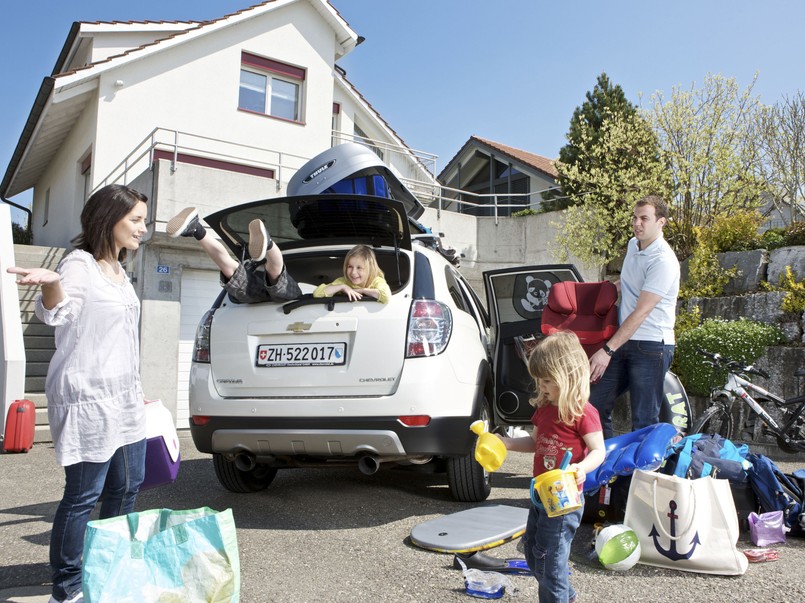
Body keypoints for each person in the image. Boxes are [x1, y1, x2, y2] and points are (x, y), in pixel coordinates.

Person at [7, 184, 150, 603]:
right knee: (84, 495)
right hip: (89, 398)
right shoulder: (79, 265)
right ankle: (67, 586)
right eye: (136, 219)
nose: (144, 228)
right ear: (109, 219)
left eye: (144, 219)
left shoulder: (120, 271)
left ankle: (109, 572)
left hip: (125, 398)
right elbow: (58, 313)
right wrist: (52, 283)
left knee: (127, 488)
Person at [494, 331, 605, 603]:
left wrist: (581, 468)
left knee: (549, 565)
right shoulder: (544, 409)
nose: (541, 386)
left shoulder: (582, 411)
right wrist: (506, 443)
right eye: (539, 380)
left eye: (546, 380)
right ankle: (567, 597)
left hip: (564, 501)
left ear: (567, 376)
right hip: (540, 496)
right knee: (533, 553)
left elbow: (599, 450)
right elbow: (535, 442)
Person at [588, 194, 681, 438]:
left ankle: (641, 476)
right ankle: (606, 468)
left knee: (643, 421)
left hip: (651, 346)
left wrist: (607, 351)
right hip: (624, 340)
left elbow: (642, 311)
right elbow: (628, 283)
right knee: (593, 405)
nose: (637, 223)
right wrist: (594, 293)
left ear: (661, 222)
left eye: (644, 219)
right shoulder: (633, 245)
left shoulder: (664, 260)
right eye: (635, 218)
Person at [167, 207, 302, 303]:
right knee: (278, 279)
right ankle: (268, 244)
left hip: (256, 302)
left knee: (231, 270)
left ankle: (197, 229)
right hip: (290, 301)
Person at [312, 244, 391, 304]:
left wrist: (361, 290)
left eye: (359, 268)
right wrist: (342, 287)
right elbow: (317, 293)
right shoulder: (343, 281)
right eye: (350, 267)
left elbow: (386, 296)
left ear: (370, 269)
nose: (353, 272)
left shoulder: (376, 281)